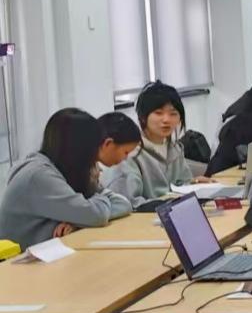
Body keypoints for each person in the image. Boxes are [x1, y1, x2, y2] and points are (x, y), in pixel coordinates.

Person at [0, 109, 135, 247]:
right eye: (94, 147)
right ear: (79, 148)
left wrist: (77, 221)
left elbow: (123, 204)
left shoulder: (66, 170)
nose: (95, 155)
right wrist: (84, 217)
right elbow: (96, 216)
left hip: (50, 252)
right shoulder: (39, 176)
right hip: (19, 258)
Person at [105, 81, 209, 201]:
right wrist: (169, 202)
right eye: (158, 113)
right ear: (143, 117)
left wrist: (192, 184)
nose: (166, 120)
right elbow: (128, 204)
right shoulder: (129, 155)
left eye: (173, 114)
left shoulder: (174, 148)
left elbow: (180, 184)